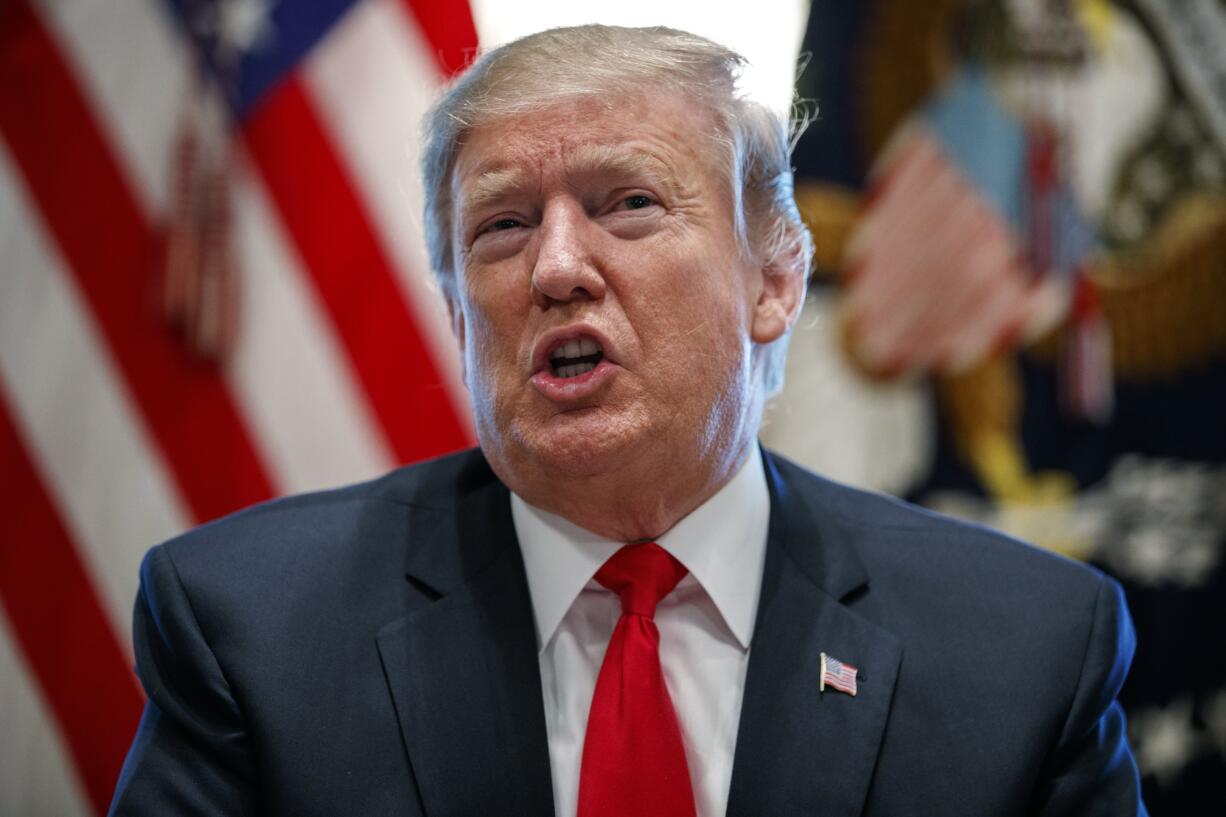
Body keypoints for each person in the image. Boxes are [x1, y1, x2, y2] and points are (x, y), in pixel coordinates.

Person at [109, 25, 1146, 817]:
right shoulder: (251, 632)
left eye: (628, 204)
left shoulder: (1021, 656)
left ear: (775, 279)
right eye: (503, 225)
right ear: (456, 308)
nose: (556, 268)